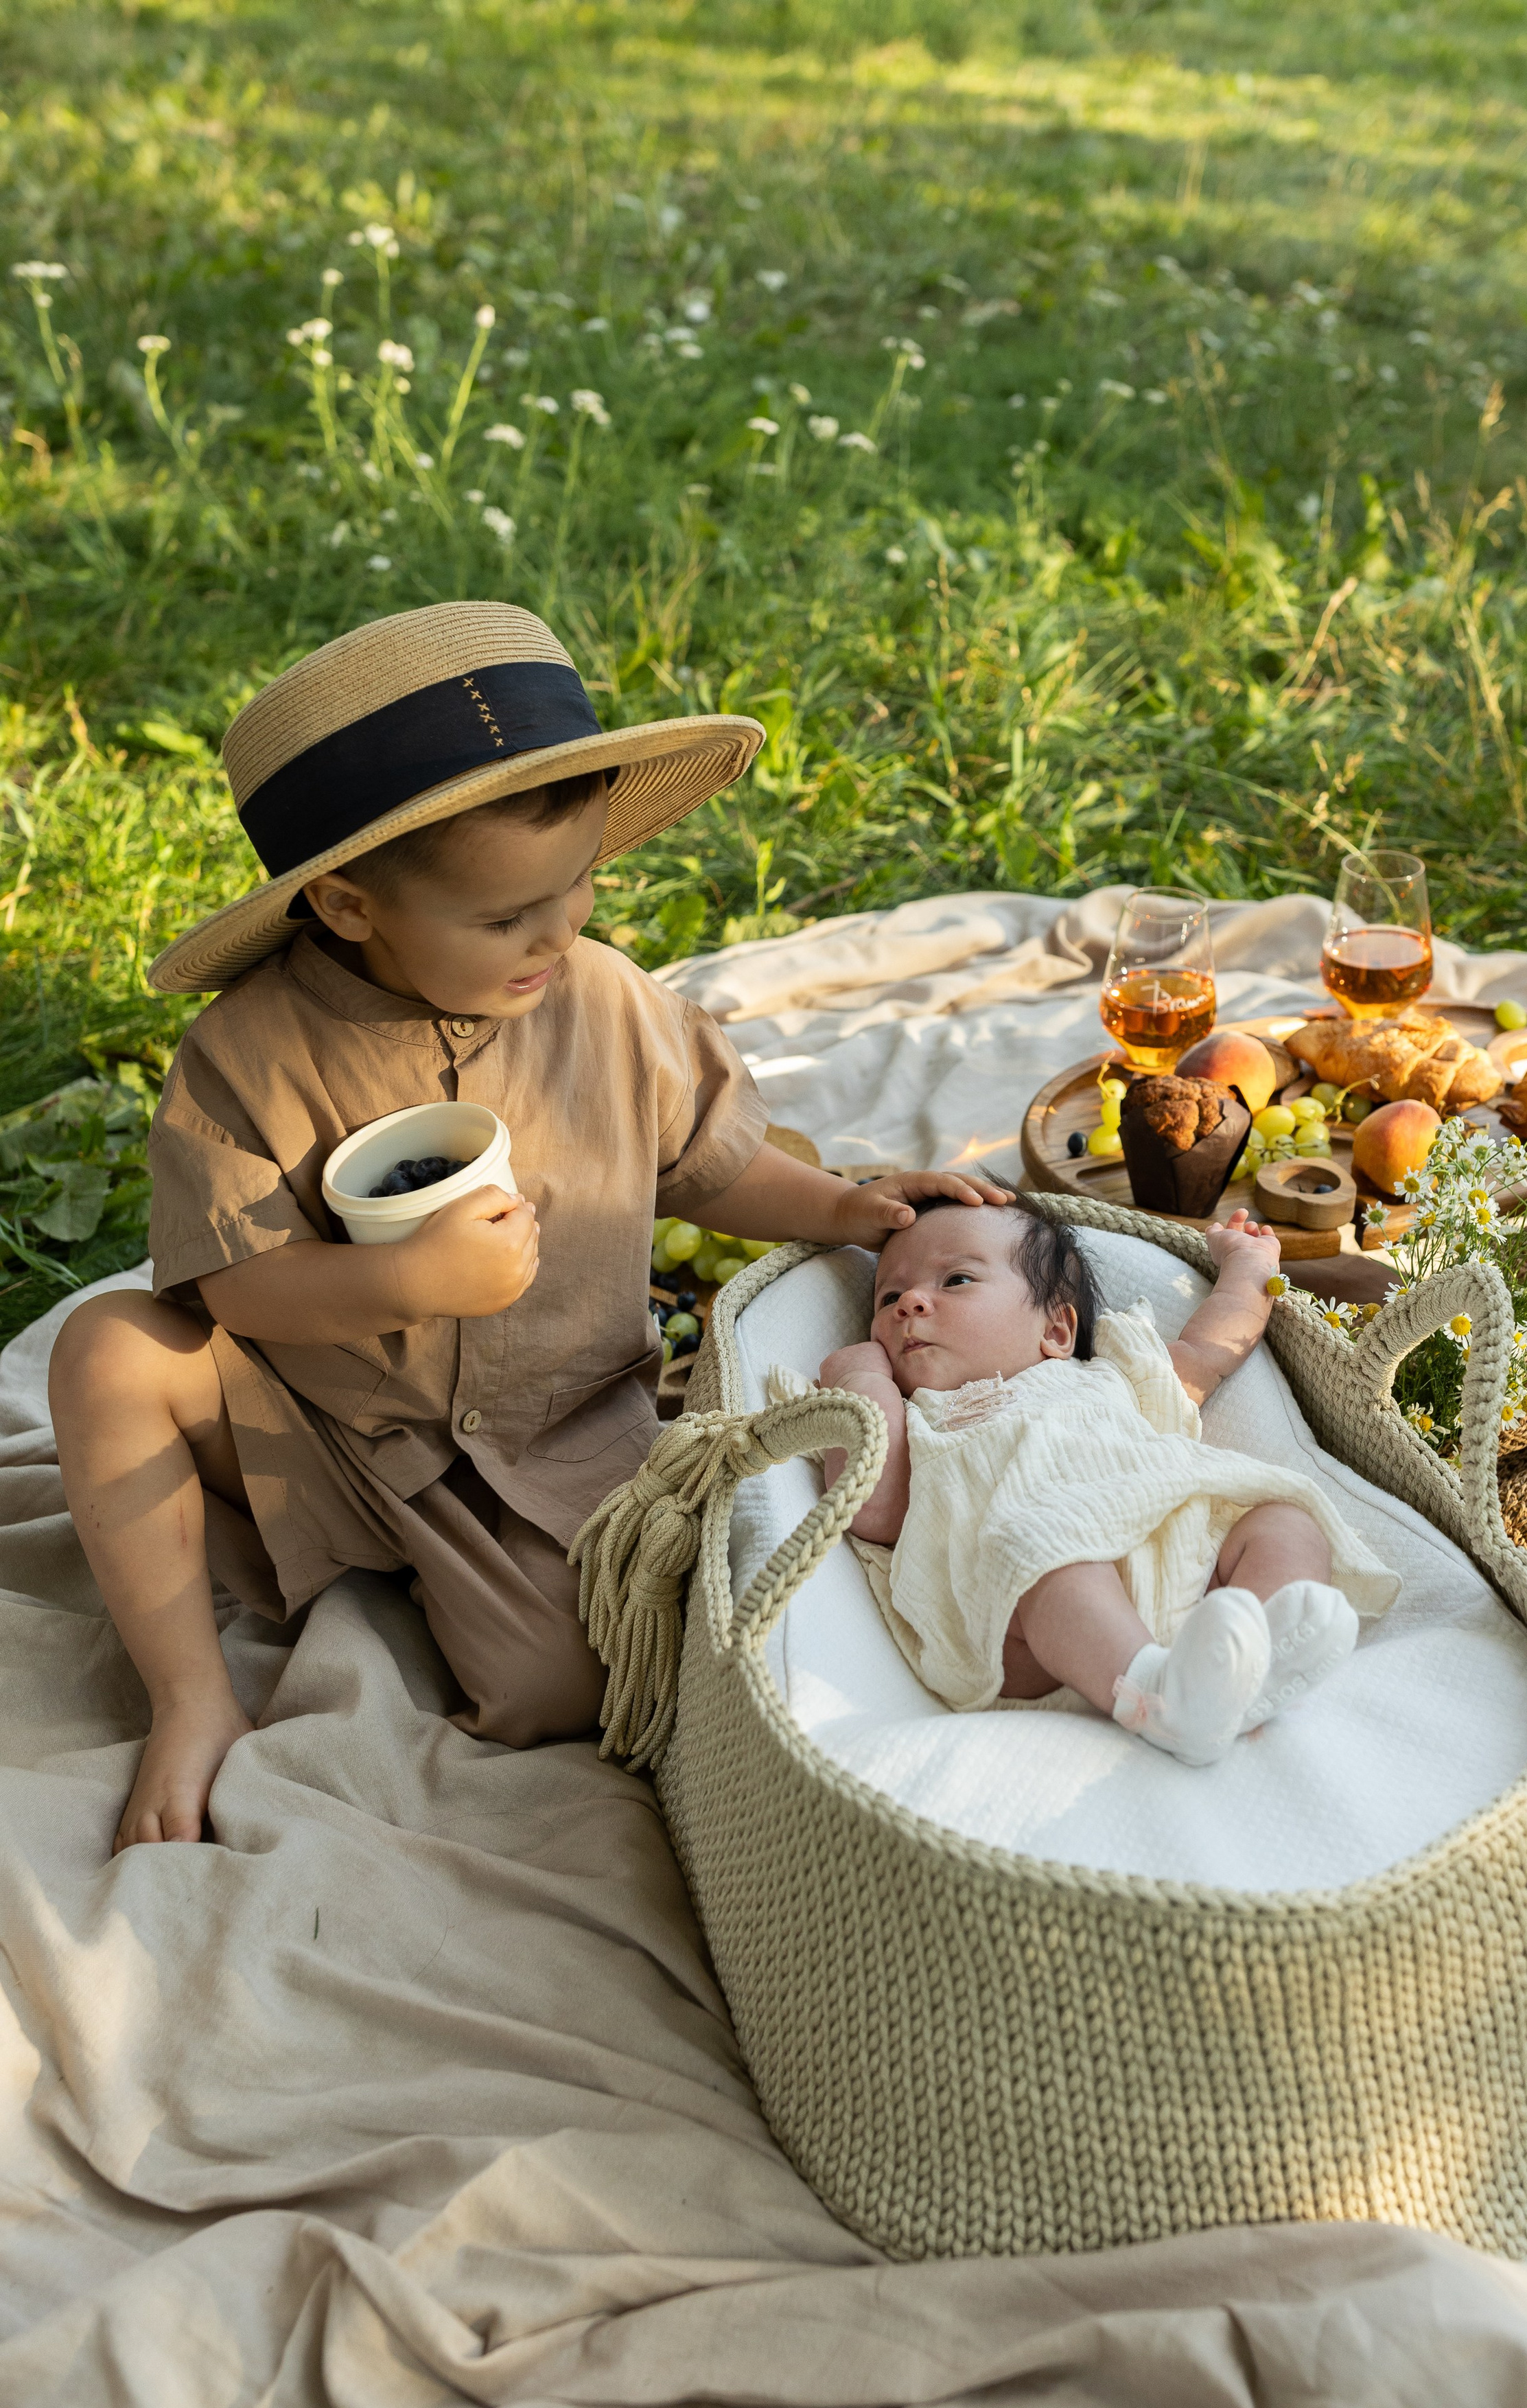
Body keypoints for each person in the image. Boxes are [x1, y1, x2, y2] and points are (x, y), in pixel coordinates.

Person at [47, 602, 1007, 1852]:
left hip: (551, 1434)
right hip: (318, 1421)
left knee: (576, 1683)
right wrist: (409, 1280)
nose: (557, 934)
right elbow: (239, 1290)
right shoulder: (245, 1054)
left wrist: (850, 1208)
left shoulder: (600, 998)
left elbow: (706, 1165)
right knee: (105, 1348)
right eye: (506, 919)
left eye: (580, 887)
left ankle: (428, 1582)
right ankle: (190, 1693)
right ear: (346, 907)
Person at [815, 1199, 1397, 1764]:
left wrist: (1248, 1270)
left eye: (957, 1280)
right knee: (1052, 1555)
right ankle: (1160, 1696)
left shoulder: (1113, 1376)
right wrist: (865, 1382)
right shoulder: (922, 1420)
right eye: (888, 1296)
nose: (909, 1303)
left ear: (1058, 1332)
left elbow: (1209, 1350)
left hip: (1188, 1572)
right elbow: (871, 1508)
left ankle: (1259, 1654)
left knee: (1282, 1518)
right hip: (1027, 1613)